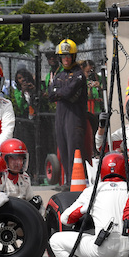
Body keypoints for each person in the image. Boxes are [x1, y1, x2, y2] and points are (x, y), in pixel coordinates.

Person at [45, 152, 129, 257]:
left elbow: (66, 219)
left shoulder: (93, 190)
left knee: (56, 240)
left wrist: (86, 209)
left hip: (103, 250)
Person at [48, 39, 91, 190]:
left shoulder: (79, 75)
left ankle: (77, 182)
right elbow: (51, 94)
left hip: (75, 116)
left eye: (68, 56)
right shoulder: (59, 74)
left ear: (73, 56)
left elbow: (68, 92)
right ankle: (67, 182)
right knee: (63, 148)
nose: (66, 59)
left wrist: (60, 92)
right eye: (63, 56)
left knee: (75, 149)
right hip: (61, 116)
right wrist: (62, 93)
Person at [0, 138, 43, 213]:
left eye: (20, 158)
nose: (18, 163)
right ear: (4, 159)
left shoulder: (25, 177)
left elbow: (30, 198)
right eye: (14, 159)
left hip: (21, 218)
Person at [81, 59, 103, 134]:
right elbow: (88, 97)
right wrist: (89, 88)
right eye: (88, 72)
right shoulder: (82, 81)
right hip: (89, 113)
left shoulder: (101, 78)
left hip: (100, 112)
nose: (90, 73)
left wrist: (99, 87)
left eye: (92, 71)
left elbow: (106, 93)